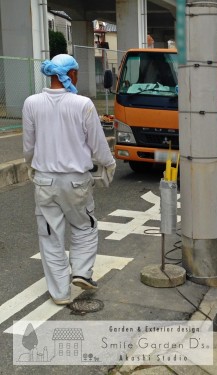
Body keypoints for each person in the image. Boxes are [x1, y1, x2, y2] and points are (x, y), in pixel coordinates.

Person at [22, 54, 116, 305]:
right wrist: (108, 163)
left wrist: (30, 164)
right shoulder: (83, 104)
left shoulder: (31, 103)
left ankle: (60, 293)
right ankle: (82, 272)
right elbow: (97, 144)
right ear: (71, 74)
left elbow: (29, 145)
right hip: (76, 182)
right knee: (84, 226)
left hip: (44, 181)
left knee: (50, 236)